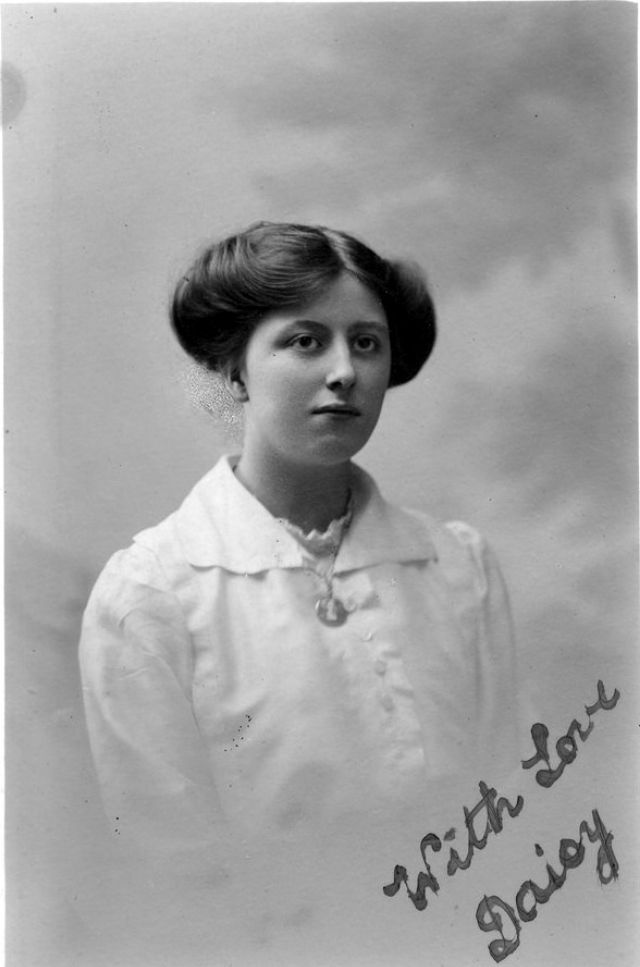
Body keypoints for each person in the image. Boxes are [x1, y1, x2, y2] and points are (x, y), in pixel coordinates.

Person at [79, 221, 519, 906]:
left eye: (366, 343)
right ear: (235, 368)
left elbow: (505, 811)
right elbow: (169, 867)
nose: (345, 372)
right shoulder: (152, 592)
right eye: (306, 341)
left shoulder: (459, 567)